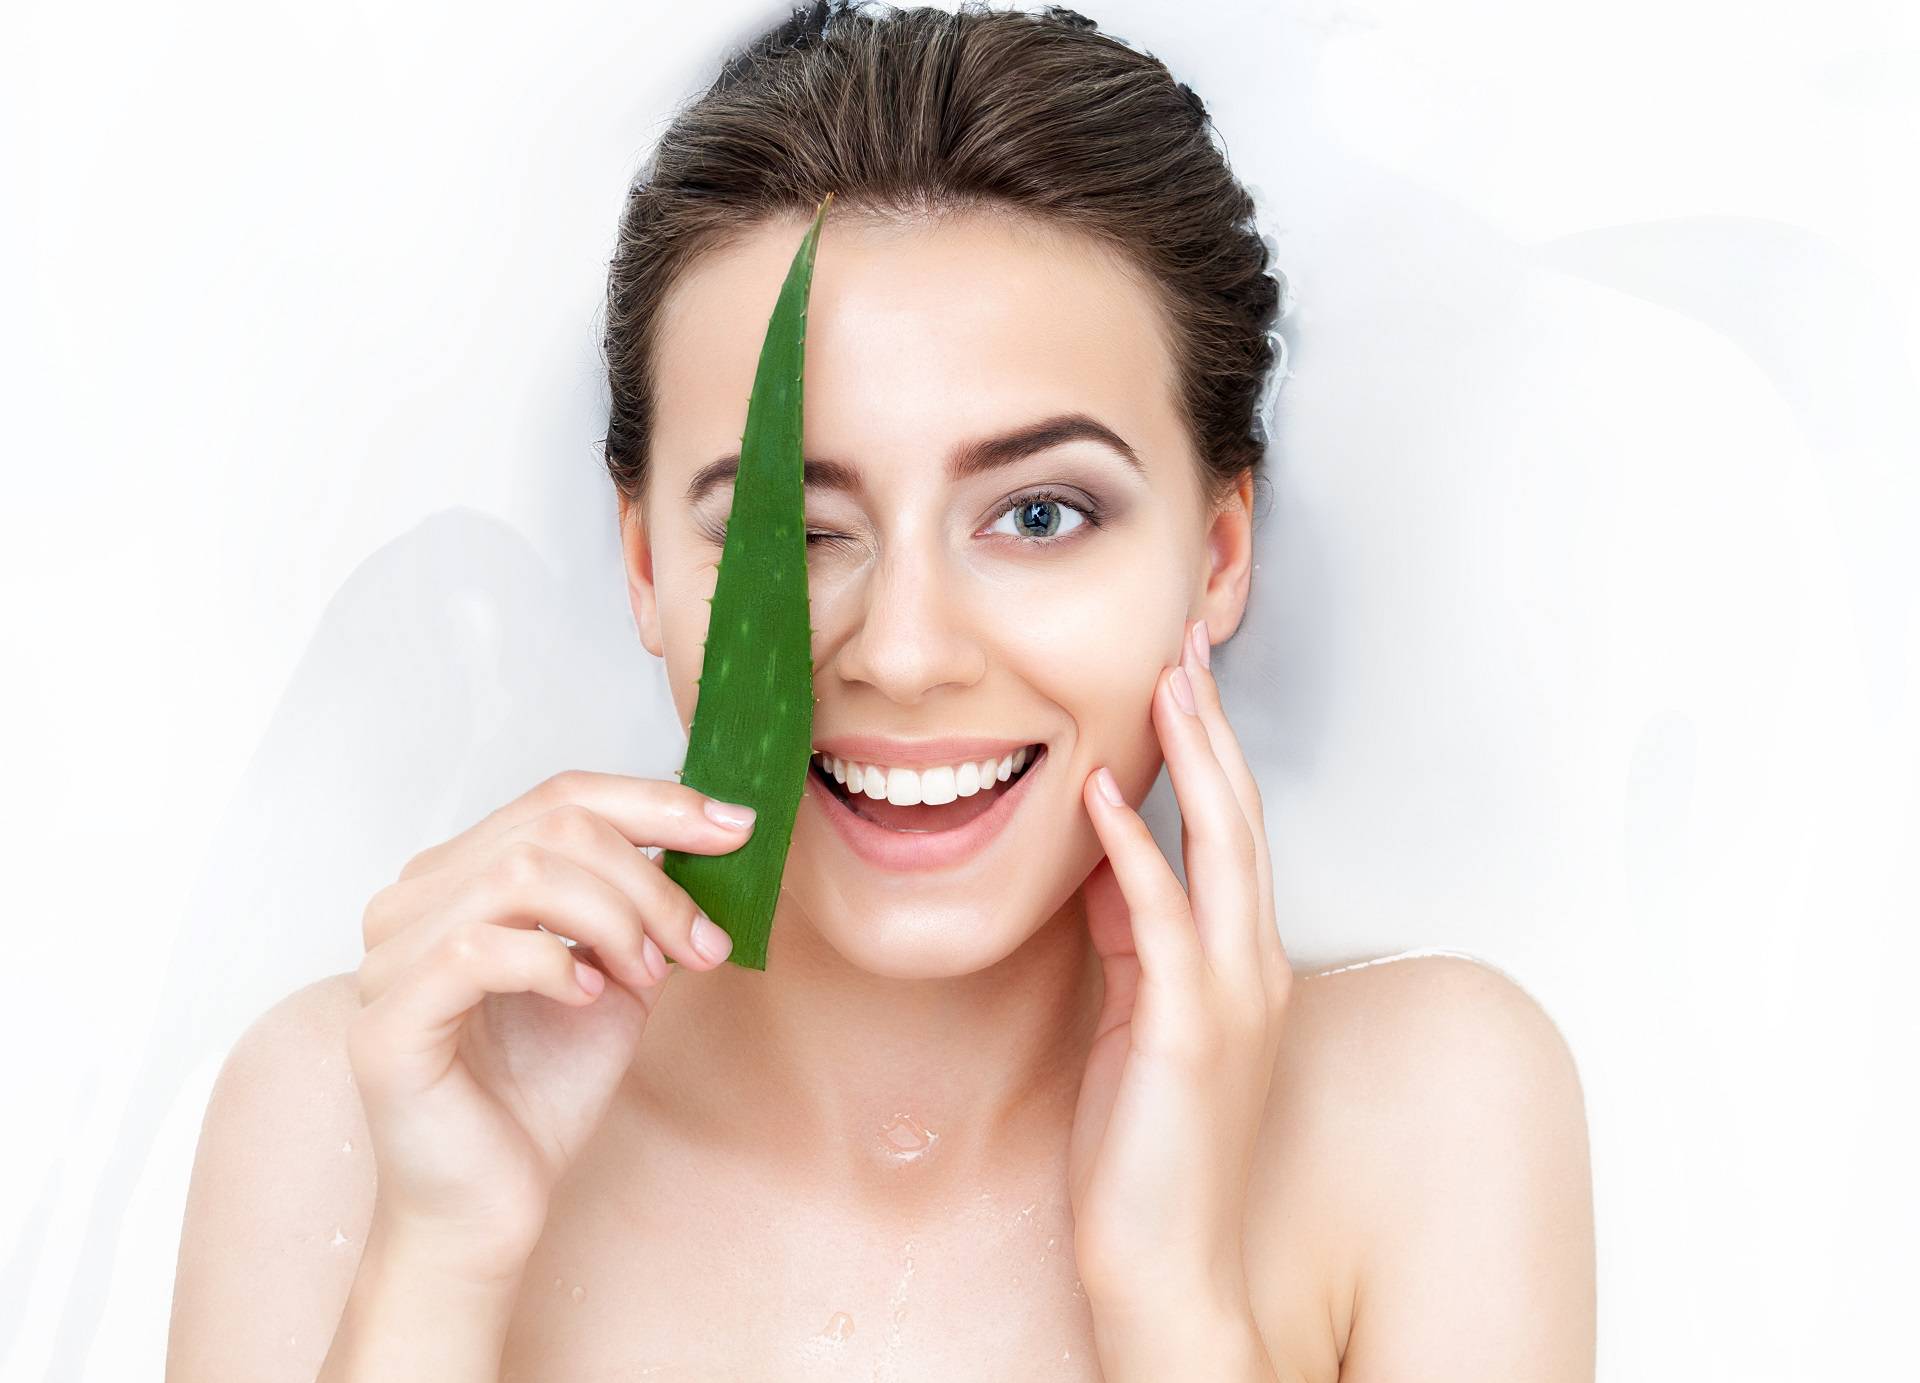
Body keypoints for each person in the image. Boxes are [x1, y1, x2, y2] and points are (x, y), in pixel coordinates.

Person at [166, 3, 1595, 1379]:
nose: (902, 654)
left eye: (1039, 515)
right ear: (647, 561)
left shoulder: (1425, 1115)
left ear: (1217, 557)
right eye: (792, 526)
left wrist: (1174, 1303)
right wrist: (442, 1273)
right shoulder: (354, 1116)